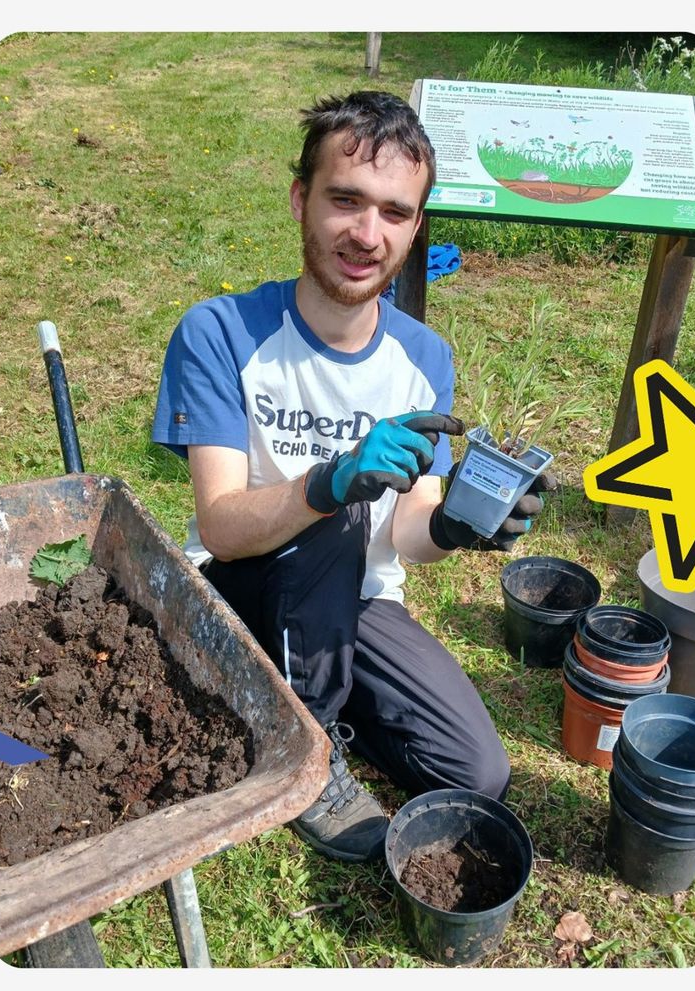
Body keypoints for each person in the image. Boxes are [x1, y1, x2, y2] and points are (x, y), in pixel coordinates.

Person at [152, 91, 554, 863]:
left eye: (396, 213)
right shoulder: (222, 332)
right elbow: (220, 526)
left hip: (355, 603)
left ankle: (275, 705)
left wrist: (455, 524)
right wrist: (331, 482)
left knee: (477, 771)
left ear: (416, 226)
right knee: (339, 514)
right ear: (302, 199)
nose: (368, 235)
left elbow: (406, 530)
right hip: (244, 583)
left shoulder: (424, 359)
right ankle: (305, 762)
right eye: (347, 200)